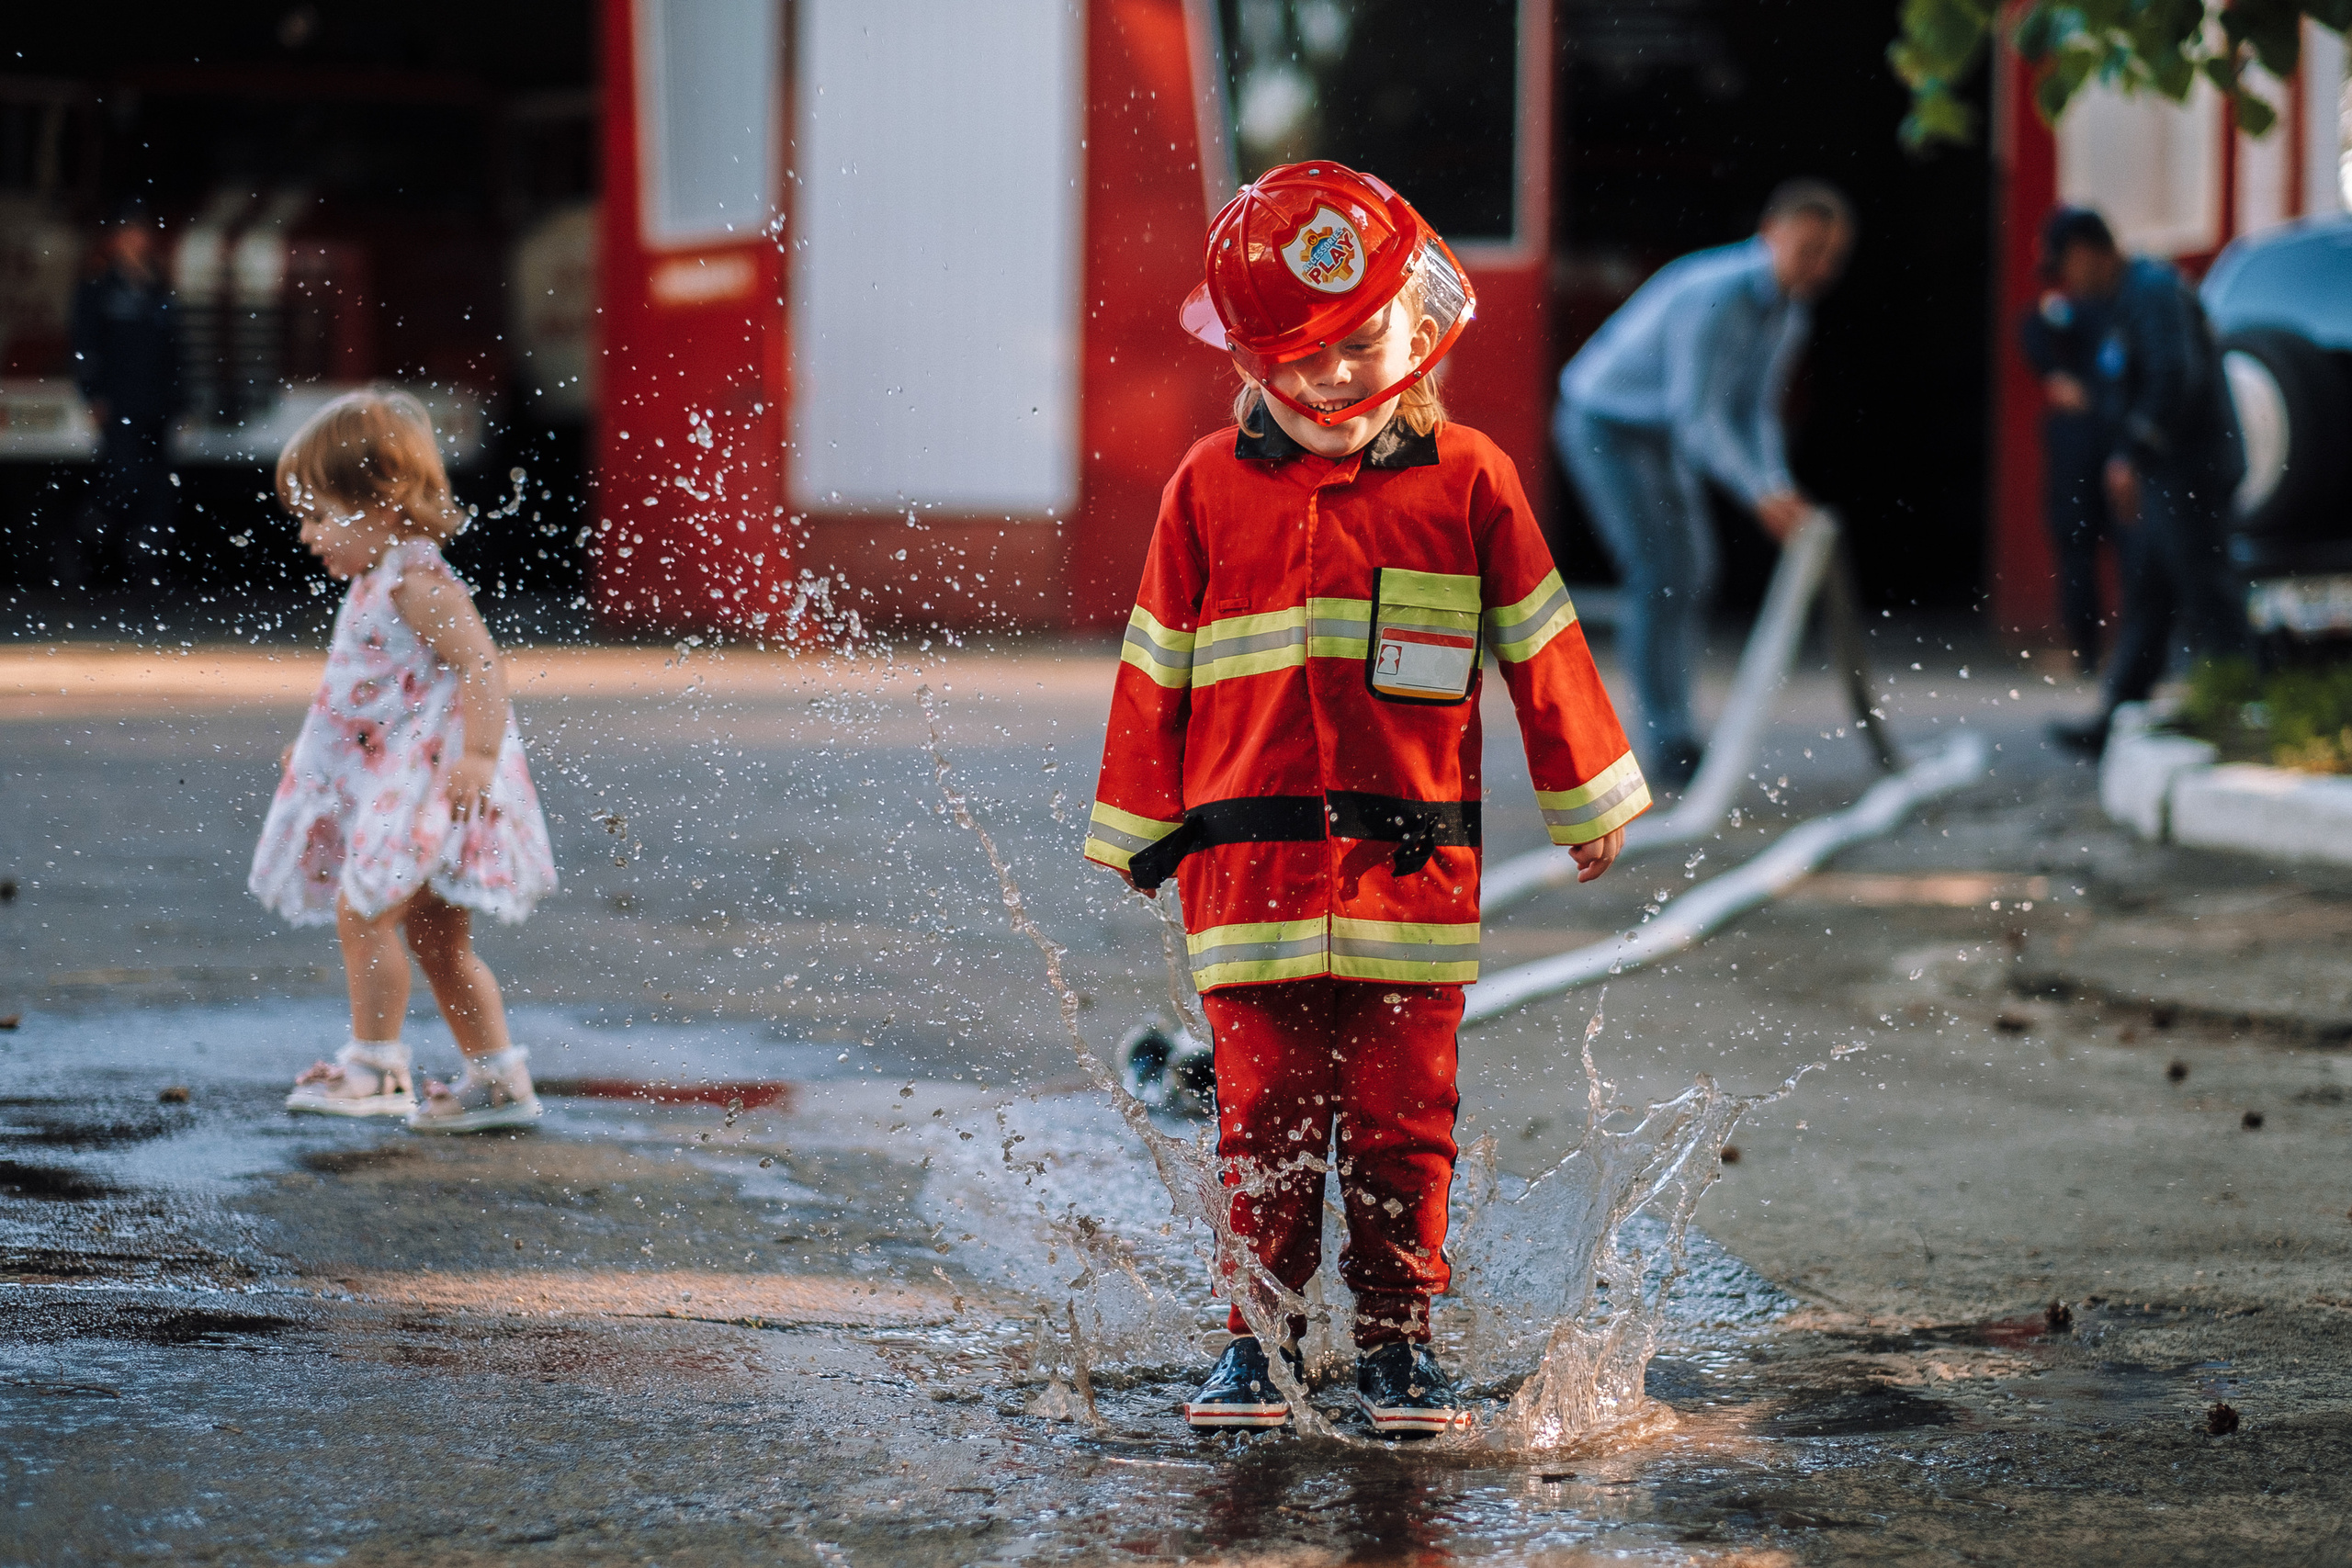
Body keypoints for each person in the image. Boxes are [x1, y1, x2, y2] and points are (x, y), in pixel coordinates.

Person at [1083, 163, 1648, 1437]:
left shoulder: (1473, 480)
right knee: (1264, 1122)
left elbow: (1540, 637)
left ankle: (1398, 1344)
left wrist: (1585, 793)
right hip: (1249, 886)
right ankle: (1259, 1339)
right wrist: (1136, 821)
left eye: (1360, 342)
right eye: (1305, 355)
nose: (1339, 375)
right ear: (1249, 360)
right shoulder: (1204, 489)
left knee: (1403, 1124)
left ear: (1414, 321)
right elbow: (1154, 655)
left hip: (1411, 887)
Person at [247, 388, 559, 1132]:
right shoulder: (374, 580)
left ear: (382, 506)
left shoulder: (418, 584)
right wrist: (325, 746)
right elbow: (374, 684)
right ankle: (499, 1077)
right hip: (406, 778)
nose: (307, 533)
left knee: (364, 910)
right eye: (302, 516)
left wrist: (480, 757)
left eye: (319, 514)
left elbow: (481, 666)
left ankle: (375, 1064)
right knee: (436, 936)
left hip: (435, 782)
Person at [1553, 180, 1857, 788]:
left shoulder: (1789, 314)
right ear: (1770, 234)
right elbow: (1700, 416)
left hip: (1662, 434)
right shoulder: (1715, 293)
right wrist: (1759, 494)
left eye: (1832, 255)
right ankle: (1665, 741)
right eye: (1808, 249)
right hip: (1606, 425)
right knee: (1658, 574)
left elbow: (1759, 414)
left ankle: (1677, 730)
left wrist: (1776, 481)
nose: (1819, 266)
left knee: (1692, 571)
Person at [2042, 208, 2246, 753]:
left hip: (2191, 469)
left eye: (2065, 266)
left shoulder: (2152, 291)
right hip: (2167, 473)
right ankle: (2117, 715)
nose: (2068, 282)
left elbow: (2175, 378)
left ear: (2087, 250)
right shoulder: (2121, 299)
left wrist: (2131, 453)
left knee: (2209, 592)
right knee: (2151, 597)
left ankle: (2243, 710)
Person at [66, 213, 185, 590]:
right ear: (116, 239)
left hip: (157, 404)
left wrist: (182, 399)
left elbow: (173, 350)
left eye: (142, 233)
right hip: (120, 405)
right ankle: (84, 542)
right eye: (130, 233)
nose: (138, 240)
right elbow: (85, 346)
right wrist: (92, 394)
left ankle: (146, 561)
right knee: (124, 477)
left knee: (158, 488)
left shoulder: (157, 290)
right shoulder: (98, 290)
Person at [2018, 231, 2116, 672]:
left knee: (2126, 545)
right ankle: (2089, 652)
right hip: (2091, 439)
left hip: (2106, 440)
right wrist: (2055, 375)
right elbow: (2030, 329)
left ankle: (2122, 654)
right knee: (2078, 543)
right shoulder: (2067, 307)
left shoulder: (2123, 301)